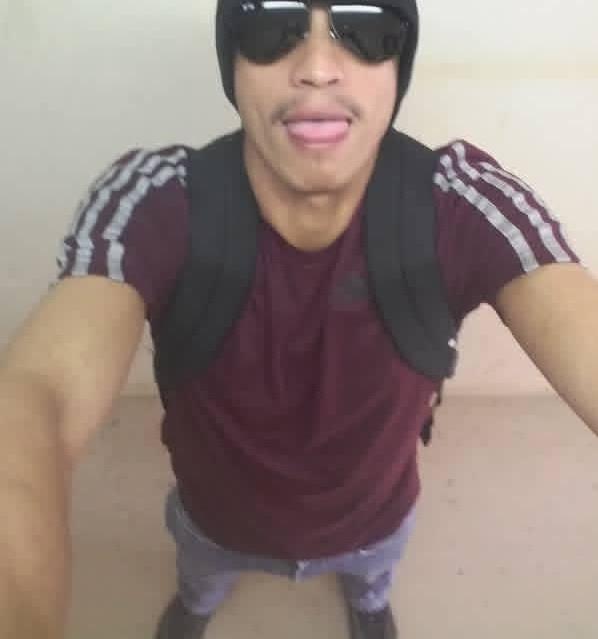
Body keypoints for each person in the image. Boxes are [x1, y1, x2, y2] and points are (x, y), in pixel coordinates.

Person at [1, 1, 597, 638]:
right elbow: (39, 396)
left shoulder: (464, 200)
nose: (317, 66)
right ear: (231, 61)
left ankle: (368, 606)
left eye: (365, 30)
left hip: (376, 524)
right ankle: (196, 607)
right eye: (271, 27)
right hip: (215, 523)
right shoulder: (152, 199)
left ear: (400, 63)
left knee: (373, 580)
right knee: (200, 580)